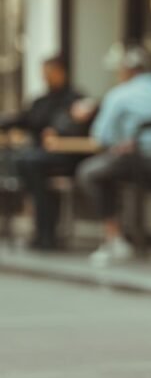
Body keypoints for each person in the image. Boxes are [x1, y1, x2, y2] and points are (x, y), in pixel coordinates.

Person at [76, 44, 151, 267]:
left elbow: (101, 137)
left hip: (140, 163)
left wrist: (121, 142)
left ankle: (114, 237)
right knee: (108, 170)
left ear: (126, 71)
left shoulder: (120, 94)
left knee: (90, 173)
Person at [0, 55, 89, 250]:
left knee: (29, 163)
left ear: (61, 72)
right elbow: (24, 119)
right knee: (22, 161)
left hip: (66, 156)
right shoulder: (41, 101)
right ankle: (41, 230)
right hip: (40, 157)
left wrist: (58, 131)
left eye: (49, 73)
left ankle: (47, 232)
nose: (46, 77)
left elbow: (74, 125)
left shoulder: (74, 99)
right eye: (44, 73)